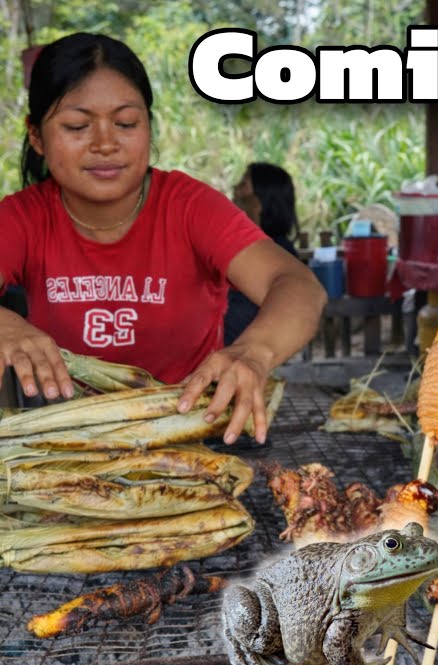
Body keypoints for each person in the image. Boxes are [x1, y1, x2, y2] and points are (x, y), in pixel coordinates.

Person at [0, 33, 327, 444]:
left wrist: (254, 352)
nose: (106, 144)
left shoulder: (190, 207)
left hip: (193, 438)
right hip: (74, 446)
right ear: (36, 136)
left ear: (149, 128)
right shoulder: (23, 218)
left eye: (126, 124)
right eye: (77, 126)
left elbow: (297, 285)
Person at [225, 162, 302, 345]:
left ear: (258, 202)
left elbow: (240, 318)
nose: (235, 189)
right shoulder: (249, 247)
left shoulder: (272, 255)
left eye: (244, 184)